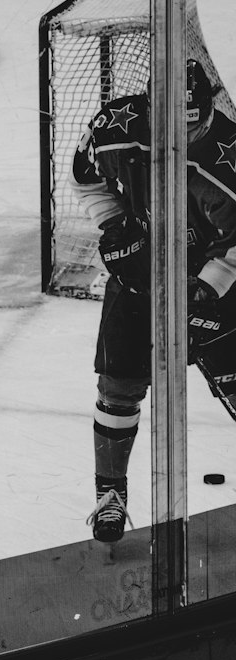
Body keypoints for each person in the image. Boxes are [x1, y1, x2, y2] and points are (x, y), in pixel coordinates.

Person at [73, 58, 236, 542]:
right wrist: (115, 223)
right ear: (151, 110)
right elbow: (85, 175)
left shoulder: (230, 153)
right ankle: (110, 493)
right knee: (117, 385)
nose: (187, 134)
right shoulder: (116, 129)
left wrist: (209, 285)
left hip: (216, 281)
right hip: (144, 277)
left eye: (198, 122)